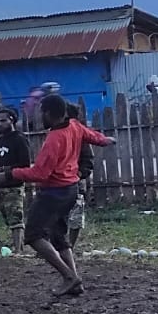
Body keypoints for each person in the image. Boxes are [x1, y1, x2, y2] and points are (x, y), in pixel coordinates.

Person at [0, 94, 114, 296]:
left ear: (48, 113)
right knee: (59, 236)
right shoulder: (74, 125)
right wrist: (105, 140)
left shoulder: (54, 139)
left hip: (53, 192)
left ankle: (69, 276)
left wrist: (8, 175)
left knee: (33, 235)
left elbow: (40, 173)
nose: (40, 117)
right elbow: (92, 136)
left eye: (42, 112)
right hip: (71, 189)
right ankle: (75, 283)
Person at [0, 108, 31, 252]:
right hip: (0, 186)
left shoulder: (19, 139)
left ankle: (19, 250)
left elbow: (25, 163)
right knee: (9, 218)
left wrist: (3, 170)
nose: (0, 124)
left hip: (14, 184)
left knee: (16, 219)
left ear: (12, 120)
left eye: (3, 120)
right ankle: (19, 247)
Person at [67, 102, 93, 249]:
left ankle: (70, 246)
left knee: (75, 215)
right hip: (56, 183)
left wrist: (79, 174)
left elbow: (88, 160)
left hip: (75, 182)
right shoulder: (55, 134)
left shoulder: (79, 137)